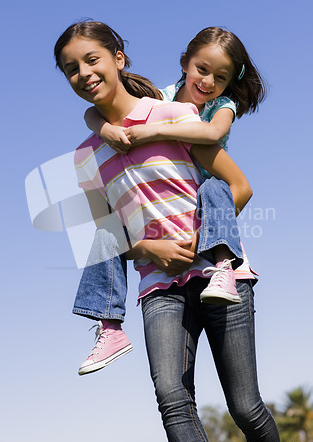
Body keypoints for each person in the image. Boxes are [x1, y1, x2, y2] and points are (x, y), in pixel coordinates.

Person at [54, 21, 283, 442]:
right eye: (71, 68)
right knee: (173, 405)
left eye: (92, 59)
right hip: (156, 285)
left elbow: (238, 186)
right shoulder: (85, 156)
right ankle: (108, 328)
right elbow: (106, 235)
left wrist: (201, 239)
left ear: (118, 59)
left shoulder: (173, 114)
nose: (83, 73)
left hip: (219, 271)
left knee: (246, 407)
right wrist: (144, 248)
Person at [76, 26, 264, 375]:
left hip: (210, 196)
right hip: (170, 210)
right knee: (106, 234)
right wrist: (104, 130)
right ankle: (109, 324)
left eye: (220, 77)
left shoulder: (221, 106)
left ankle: (223, 266)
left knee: (213, 190)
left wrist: (154, 130)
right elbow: (93, 112)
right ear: (185, 63)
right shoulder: (161, 99)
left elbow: (211, 133)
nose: (208, 82)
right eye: (202, 70)